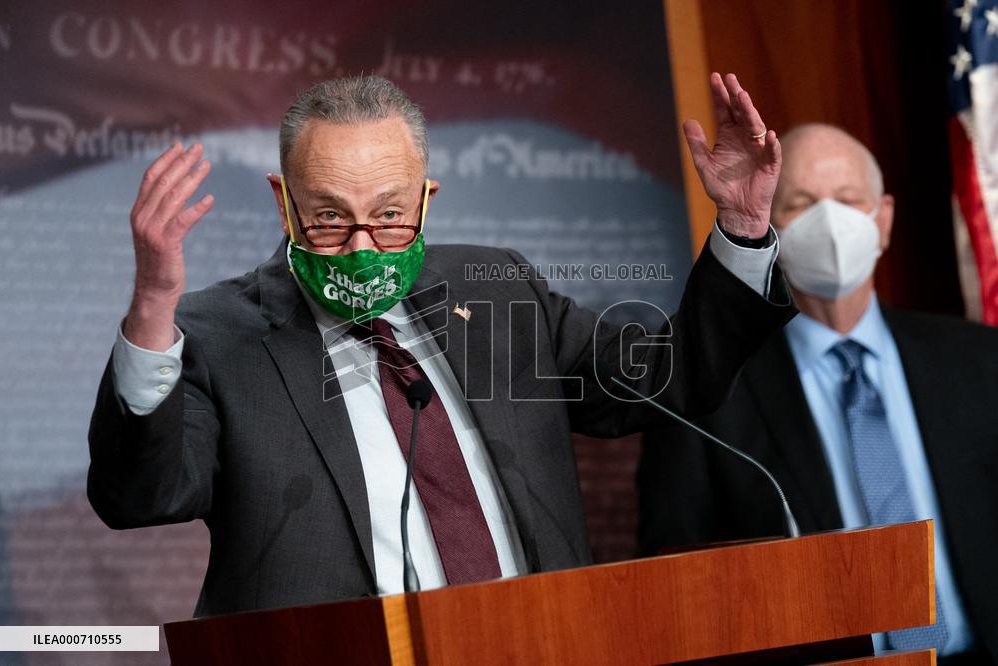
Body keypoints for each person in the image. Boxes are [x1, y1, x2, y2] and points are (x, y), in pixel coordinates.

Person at [88, 73, 795, 617]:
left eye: (390, 216)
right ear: (285, 202)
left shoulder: (498, 292)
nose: (362, 247)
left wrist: (739, 229)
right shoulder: (221, 336)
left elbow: (670, 381)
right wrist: (153, 304)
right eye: (330, 218)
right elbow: (140, 497)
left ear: (427, 198)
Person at [638, 123, 998, 664]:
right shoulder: (708, 390)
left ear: (884, 221)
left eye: (849, 200)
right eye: (801, 204)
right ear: (769, 230)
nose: (830, 223)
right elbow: (679, 586)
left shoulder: (981, 363)